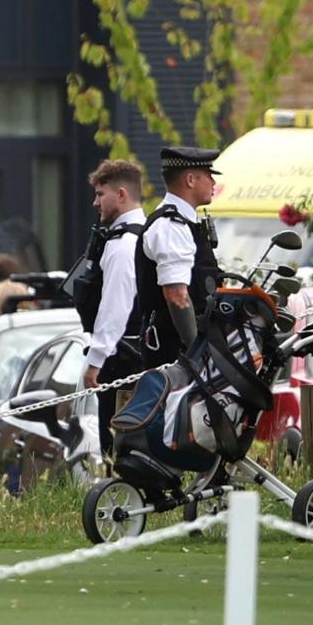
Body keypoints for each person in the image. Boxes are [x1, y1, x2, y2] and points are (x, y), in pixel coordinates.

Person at [81, 145, 220, 446]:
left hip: (173, 354)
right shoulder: (169, 226)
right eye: (209, 175)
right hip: (171, 355)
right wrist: (198, 353)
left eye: (99, 194)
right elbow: (175, 296)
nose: (215, 183)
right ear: (191, 179)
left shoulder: (179, 224)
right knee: (150, 442)